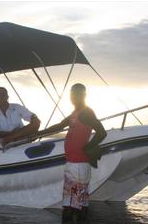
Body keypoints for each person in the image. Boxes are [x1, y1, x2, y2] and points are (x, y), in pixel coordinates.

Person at [38, 83, 106, 222]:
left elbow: (101, 132)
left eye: (78, 94)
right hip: (72, 164)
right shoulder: (75, 113)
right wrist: (38, 133)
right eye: (72, 93)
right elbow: (59, 126)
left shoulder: (86, 112)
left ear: (84, 95)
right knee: (71, 206)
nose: (74, 97)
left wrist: (88, 146)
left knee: (75, 208)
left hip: (79, 165)